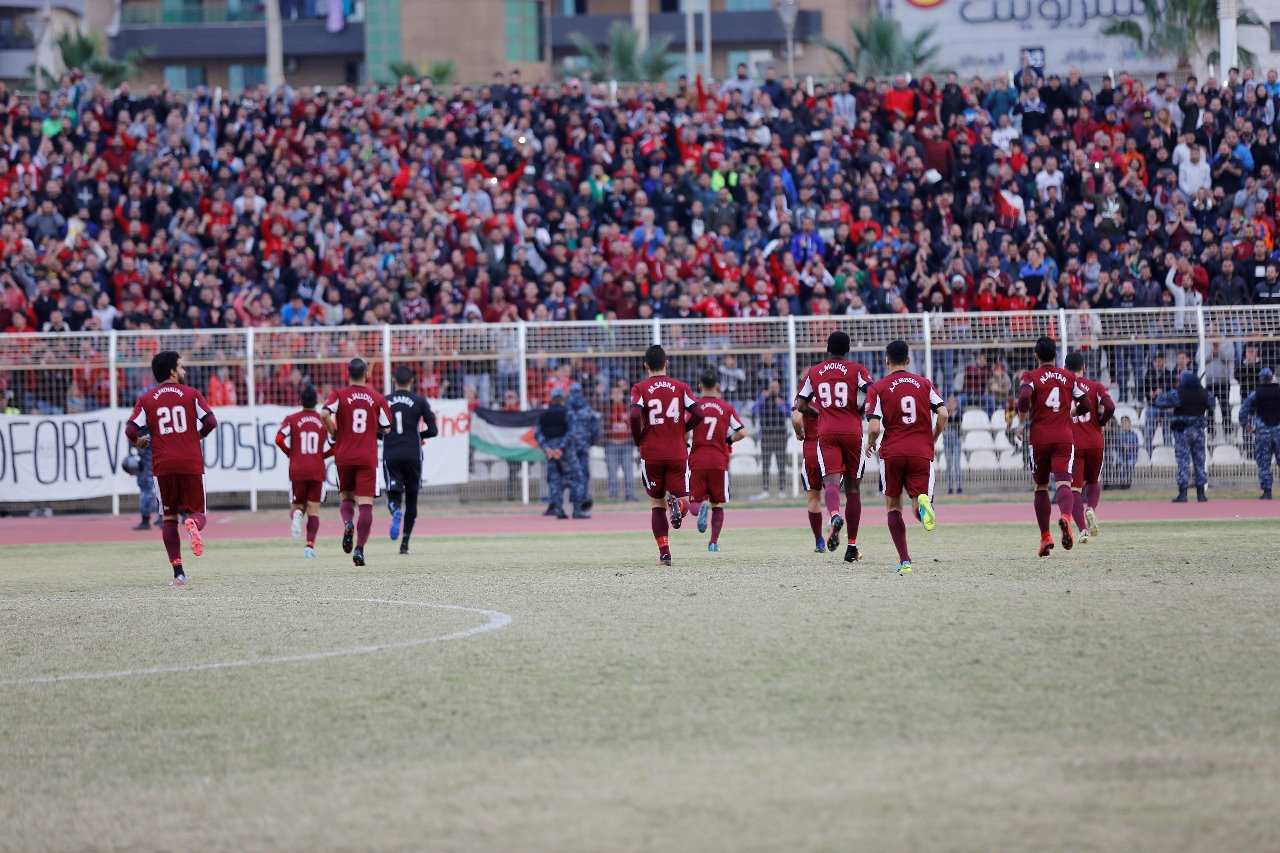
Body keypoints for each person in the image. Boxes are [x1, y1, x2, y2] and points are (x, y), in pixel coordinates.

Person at [124, 351, 217, 586]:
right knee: (198, 513)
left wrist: (138, 442)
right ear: (173, 372)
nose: (184, 371)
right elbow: (211, 421)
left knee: (168, 518)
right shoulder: (191, 394)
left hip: (163, 465)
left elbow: (131, 429)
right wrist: (198, 435)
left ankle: (179, 573)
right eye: (182, 367)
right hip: (190, 462)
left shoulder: (146, 400)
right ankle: (193, 524)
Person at [865, 340, 949, 575]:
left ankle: (905, 561)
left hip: (893, 452)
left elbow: (873, 428)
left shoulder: (878, 388)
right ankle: (923, 504)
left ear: (886, 360)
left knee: (893, 506)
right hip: (920, 451)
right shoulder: (924, 384)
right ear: (909, 361)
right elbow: (943, 414)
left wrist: (870, 444)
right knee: (917, 502)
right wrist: (932, 438)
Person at [794, 331, 873, 562]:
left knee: (830, 481)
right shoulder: (856, 369)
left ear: (827, 349)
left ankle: (835, 515)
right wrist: (859, 411)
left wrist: (820, 412)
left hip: (826, 431)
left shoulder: (814, 371)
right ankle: (851, 546)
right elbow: (871, 390)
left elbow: (800, 404)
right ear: (847, 350)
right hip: (852, 430)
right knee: (853, 489)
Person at [630, 344, 705, 566]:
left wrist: (638, 437)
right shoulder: (680, 387)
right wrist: (682, 429)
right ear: (666, 364)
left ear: (645, 366)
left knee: (656, 503)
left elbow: (635, 414)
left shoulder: (640, 387)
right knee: (681, 496)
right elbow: (699, 412)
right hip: (676, 450)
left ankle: (664, 554)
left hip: (651, 451)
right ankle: (680, 507)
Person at [1016, 336, 1090, 557]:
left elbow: (1024, 396)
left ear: (1036, 356)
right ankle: (1066, 518)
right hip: (1063, 438)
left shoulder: (1030, 376)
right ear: (1056, 355)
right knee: (1064, 483)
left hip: (1039, 439)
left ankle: (1045, 537)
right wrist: (1070, 413)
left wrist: (1021, 422)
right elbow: (1086, 404)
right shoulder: (1068, 376)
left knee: (1040, 487)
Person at [322, 357, 392, 566]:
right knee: (366, 505)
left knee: (346, 498)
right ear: (367, 374)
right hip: (367, 456)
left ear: (347, 374)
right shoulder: (376, 398)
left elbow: (324, 413)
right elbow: (387, 428)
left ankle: (348, 523)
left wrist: (334, 432)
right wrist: (373, 428)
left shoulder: (339, 395)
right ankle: (360, 549)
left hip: (344, 455)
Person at [687, 368, 746, 552]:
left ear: (700, 386)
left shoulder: (694, 406)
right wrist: (728, 439)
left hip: (698, 458)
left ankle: (699, 510)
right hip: (719, 460)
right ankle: (713, 543)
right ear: (718, 386)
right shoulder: (727, 408)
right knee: (717, 503)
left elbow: (685, 431)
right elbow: (742, 432)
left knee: (694, 500)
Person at [384, 365, 438, 554]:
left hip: (391, 453)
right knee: (412, 498)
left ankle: (395, 510)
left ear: (393, 381)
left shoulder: (385, 401)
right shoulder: (419, 401)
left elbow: (376, 430)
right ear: (412, 381)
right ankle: (405, 544)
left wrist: (387, 437)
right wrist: (419, 435)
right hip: (413, 454)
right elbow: (433, 430)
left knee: (393, 493)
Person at [274, 385, 330, 558]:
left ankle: (296, 514)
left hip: (297, 468)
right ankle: (309, 547)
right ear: (317, 401)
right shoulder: (323, 420)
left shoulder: (292, 419)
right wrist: (323, 455)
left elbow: (278, 438)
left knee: (297, 506)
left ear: (300, 401)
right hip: (317, 468)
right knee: (314, 510)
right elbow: (336, 444)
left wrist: (290, 453)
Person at [1065, 351, 1115, 544]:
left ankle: (1082, 530)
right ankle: (1091, 509)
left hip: (1074, 444)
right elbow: (1110, 406)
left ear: (1066, 369)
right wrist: (1101, 422)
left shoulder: (1065, 387)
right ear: (1083, 367)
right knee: (1093, 481)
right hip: (1095, 441)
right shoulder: (1096, 386)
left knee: (1075, 489)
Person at [1152, 370, 1215, 503]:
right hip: (1198, 431)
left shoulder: (1178, 393)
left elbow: (1159, 401)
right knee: (1200, 461)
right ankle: (1201, 493)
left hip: (1183, 431)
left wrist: (1173, 405)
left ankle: (1183, 493)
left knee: (1183, 461)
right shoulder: (1204, 393)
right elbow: (1212, 404)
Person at [535, 388, 583, 519]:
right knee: (576, 478)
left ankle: (558, 510)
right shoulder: (568, 413)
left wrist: (548, 449)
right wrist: (560, 448)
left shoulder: (543, 414)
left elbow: (538, 434)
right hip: (566, 452)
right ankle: (577, 510)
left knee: (554, 481)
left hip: (550, 452)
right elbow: (572, 432)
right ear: (564, 399)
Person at [1238, 367, 1279, 499]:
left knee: (1263, 462)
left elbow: (1243, 412)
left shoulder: (1256, 394)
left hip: (1262, 432)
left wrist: (1246, 426)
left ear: (1260, 379)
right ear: (1272, 377)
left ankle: (1267, 492)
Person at [791, 402, 826, 552]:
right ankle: (834, 518)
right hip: (832, 447)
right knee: (833, 491)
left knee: (814, 498)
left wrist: (799, 433)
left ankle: (819, 542)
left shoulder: (804, 395)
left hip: (812, 449)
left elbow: (797, 419)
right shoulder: (832, 388)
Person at [752, 380, 791, 499]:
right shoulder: (764, 399)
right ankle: (765, 490)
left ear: (779, 388)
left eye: (776, 387)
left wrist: (781, 405)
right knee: (765, 464)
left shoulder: (783, 399)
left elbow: (790, 414)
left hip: (780, 435)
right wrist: (761, 398)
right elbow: (753, 410)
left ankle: (781, 490)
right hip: (766, 435)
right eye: (772, 387)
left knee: (781, 463)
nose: (773, 389)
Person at [566, 382, 600, 516]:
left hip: (570, 447)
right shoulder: (587, 409)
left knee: (570, 476)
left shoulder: (567, 409)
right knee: (584, 476)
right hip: (584, 446)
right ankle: (580, 504)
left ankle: (564, 503)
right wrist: (590, 442)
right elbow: (596, 429)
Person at [603, 385, 637, 501]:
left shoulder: (628, 408)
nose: (616, 395)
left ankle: (630, 494)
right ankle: (613, 494)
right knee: (612, 470)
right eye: (614, 393)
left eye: (619, 392)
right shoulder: (607, 409)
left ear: (623, 395)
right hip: (611, 443)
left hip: (626, 443)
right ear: (611, 395)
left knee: (628, 470)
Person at [943, 394, 964, 494]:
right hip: (947, 441)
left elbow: (957, 424)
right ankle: (950, 486)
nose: (951, 404)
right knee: (949, 464)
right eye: (949, 402)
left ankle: (959, 486)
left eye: (952, 402)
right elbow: (944, 425)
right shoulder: (943, 414)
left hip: (956, 441)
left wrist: (950, 416)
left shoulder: (959, 413)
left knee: (957, 463)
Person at [132, 443, 155, 531]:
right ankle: (161, 519)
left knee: (146, 490)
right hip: (156, 461)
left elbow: (130, 432)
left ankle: (145, 521)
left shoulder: (144, 431)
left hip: (148, 463)